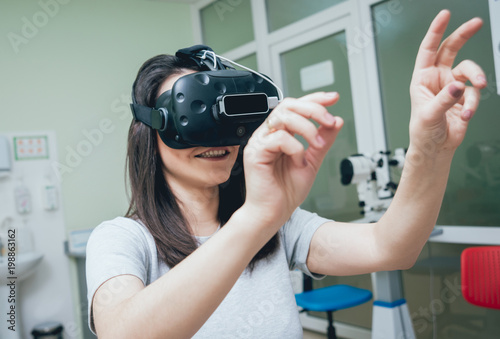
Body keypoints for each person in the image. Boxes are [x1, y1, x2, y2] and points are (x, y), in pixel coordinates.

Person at [86, 10, 487, 338]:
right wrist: (257, 218)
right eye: (195, 118)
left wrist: (430, 149)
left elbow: (391, 248)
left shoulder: (278, 224)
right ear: (150, 131)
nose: (219, 139)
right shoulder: (122, 239)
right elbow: (124, 332)